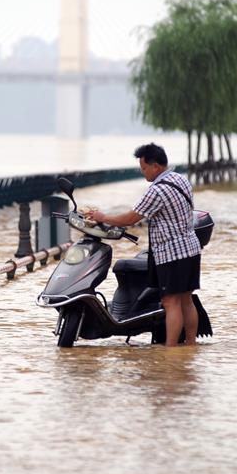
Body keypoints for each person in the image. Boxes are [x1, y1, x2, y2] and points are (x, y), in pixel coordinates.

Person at [87, 143, 201, 347]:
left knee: (170, 302)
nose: (143, 172)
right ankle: (190, 346)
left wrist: (102, 217)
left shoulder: (157, 191)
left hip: (172, 253)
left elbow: (130, 218)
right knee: (186, 300)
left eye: (144, 168)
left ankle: (171, 350)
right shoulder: (180, 180)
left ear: (155, 166)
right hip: (191, 249)